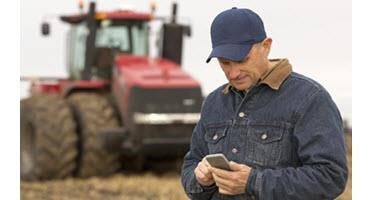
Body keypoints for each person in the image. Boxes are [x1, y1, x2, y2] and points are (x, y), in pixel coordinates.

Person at [181, 7, 348, 200]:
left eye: (242, 60)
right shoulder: (213, 102)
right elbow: (190, 166)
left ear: (266, 46)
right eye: (225, 63)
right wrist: (200, 179)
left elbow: (330, 177)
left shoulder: (310, 98)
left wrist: (253, 182)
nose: (234, 73)